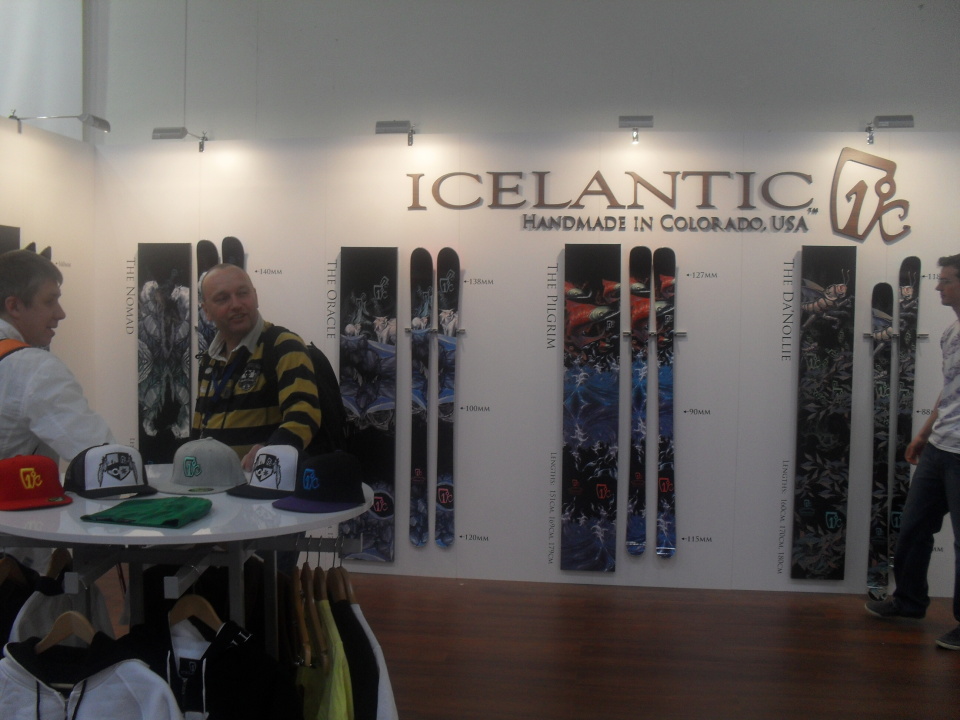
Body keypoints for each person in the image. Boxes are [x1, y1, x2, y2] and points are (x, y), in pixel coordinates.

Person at [866, 253, 960, 651]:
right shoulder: (952, 332)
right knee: (914, 526)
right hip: (940, 447)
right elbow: (950, 390)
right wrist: (924, 433)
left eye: (946, 280)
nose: (937, 286)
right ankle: (908, 601)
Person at [192, 263, 323, 471]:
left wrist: (270, 453)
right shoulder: (209, 360)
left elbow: (304, 413)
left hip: (260, 484)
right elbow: (199, 423)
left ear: (255, 296)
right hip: (210, 481)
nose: (236, 304)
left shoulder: (283, 345)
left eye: (242, 293)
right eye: (223, 298)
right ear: (206, 311)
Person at [0, 249, 114, 462]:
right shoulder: (35, 369)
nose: (61, 314)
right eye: (49, 301)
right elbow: (105, 462)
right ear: (14, 306)